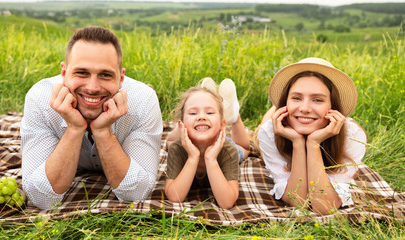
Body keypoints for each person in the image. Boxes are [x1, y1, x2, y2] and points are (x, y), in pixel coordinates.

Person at [20, 26, 163, 210]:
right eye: (82, 73)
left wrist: (103, 131)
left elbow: (136, 194)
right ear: (64, 73)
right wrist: (74, 128)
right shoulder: (39, 99)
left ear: (121, 78)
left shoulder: (143, 101)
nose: (93, 87)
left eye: (105, 75)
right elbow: (41, 198)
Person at [255, 58, 367, 215]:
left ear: (333, 106)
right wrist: (298, 143)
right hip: (280, 124)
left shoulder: (353, 136)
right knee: (252, 140)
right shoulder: (269, 132)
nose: (305, 108)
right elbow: (298, 200)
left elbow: (324, 207)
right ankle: (268, 111)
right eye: (296, 97)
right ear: (285, 102)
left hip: (303, 122)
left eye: (317, 100)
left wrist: (313, 143)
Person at [165, 78, 250, 209]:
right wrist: (193, 157)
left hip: (220, 143)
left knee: (244, 150)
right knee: (169, 143)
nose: (201, 116)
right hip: (184, 137)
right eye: (193, 113)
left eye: (209, 112)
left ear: (222, 125)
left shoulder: (228, 151)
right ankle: (204, 104)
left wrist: (211, 159)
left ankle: (233, 115)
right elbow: (174, 197)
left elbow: (227, 203)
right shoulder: (177, 148)